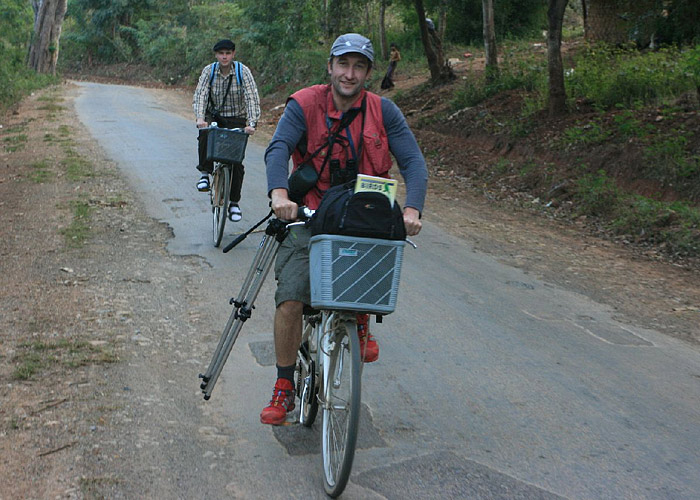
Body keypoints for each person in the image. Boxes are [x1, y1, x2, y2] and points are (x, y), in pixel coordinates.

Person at [261, 33, 428, 425]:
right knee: (291, 299)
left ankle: (361, 319)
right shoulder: (304, 104)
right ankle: (284, 385)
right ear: (330, 67)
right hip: (311, 214)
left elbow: (414, 164)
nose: (349, 74)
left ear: (368, 73)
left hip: (364, 218)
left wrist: (413, 210)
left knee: (370, 269)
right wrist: (279, 195)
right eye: (343, 64)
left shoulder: (385, 112)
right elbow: (278, 148)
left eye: (358, 66)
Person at [193, 39, 261, 222]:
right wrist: (200, 118)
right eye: (221, 53)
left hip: (236, 118)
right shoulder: (209, 71)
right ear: (216, 55)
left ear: (233, 54)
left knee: (236, 161)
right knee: (205, 133)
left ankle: (234, 203)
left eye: (228, 53)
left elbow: (252, 97)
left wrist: (252, 123)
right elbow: (201, 95)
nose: (224, 56)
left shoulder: (242, 72)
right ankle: (205, 174)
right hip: (214, 115)